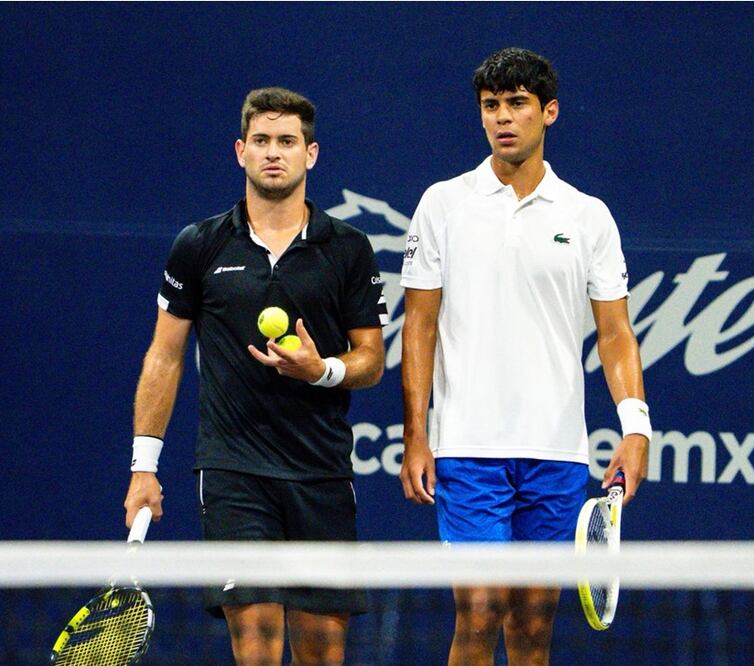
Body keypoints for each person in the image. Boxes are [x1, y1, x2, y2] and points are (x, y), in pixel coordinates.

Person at [399, 48, 652, 665]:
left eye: (517, 104)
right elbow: (419, 326)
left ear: (549, 112)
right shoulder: (443, 204)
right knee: (480, 611)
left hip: (556, 452)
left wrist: (636, 427)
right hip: (468, 449)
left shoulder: (588, 216)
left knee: (533, 624)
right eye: (491, 106)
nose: (502, 118)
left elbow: (615, 332)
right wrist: (416, 436)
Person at [123, 87, 387, 666]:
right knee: (259, 642)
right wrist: (144, 468)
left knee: (322, 652)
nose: (274, 153)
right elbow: (164, 356)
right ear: (241, 151)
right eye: (262, 141)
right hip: (233, 471)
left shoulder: (349, 249)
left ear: (310, 154)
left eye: (287, 142)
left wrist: (323, 371)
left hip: (319, 471)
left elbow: (372, 358)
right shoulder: (199, 245)